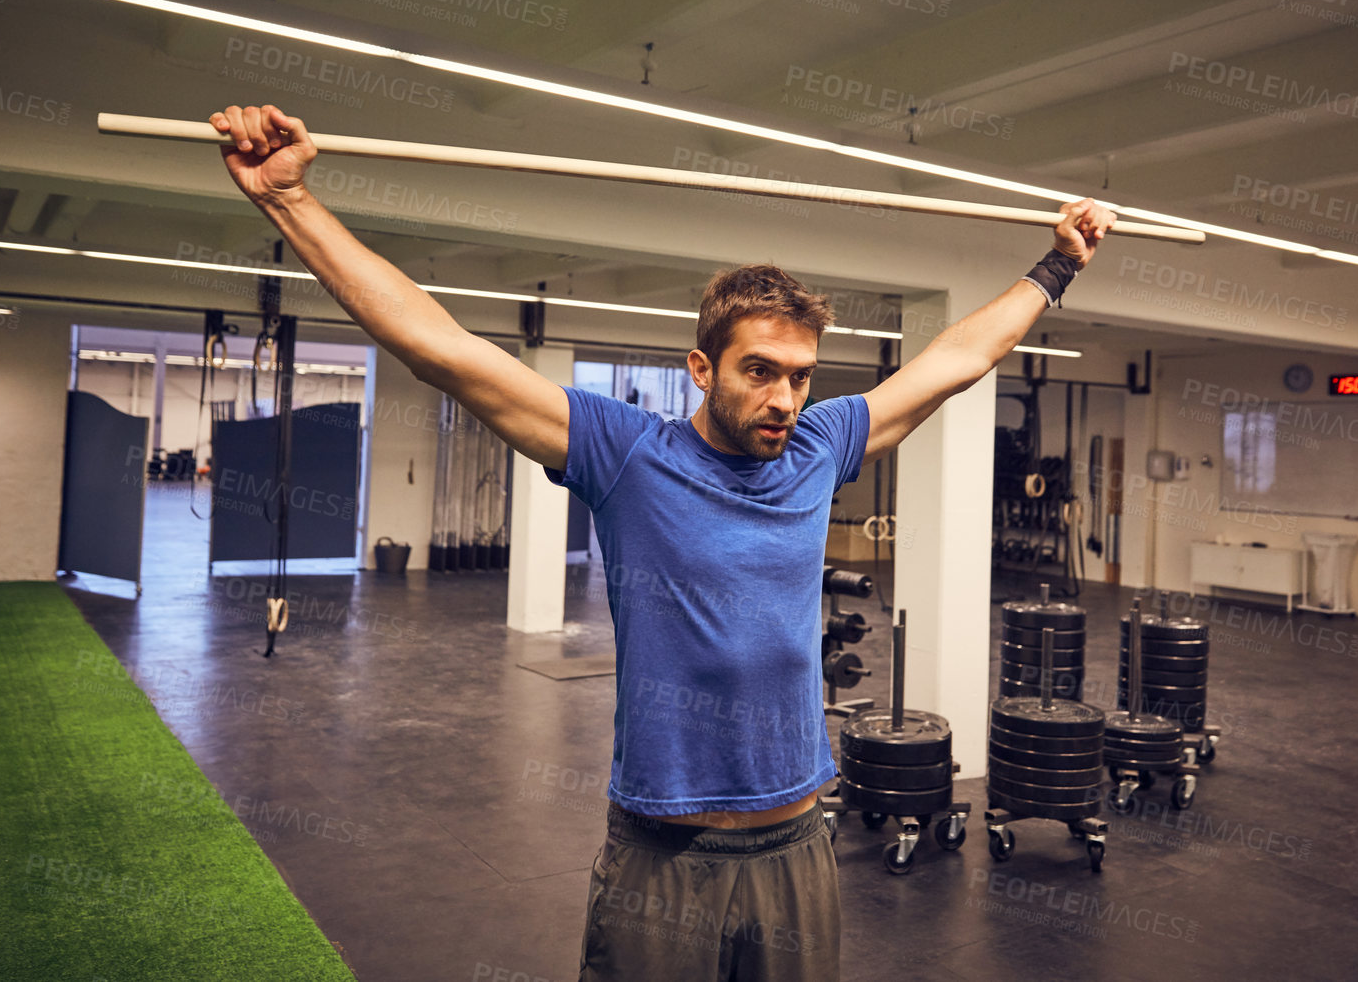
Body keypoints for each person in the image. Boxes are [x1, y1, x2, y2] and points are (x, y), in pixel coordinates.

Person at [208, 103, 1116, 981]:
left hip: (799, 843)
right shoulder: (624, 453)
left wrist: (1057, 267)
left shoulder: (819, 445)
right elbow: (439, 349)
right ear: (702, 368)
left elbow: (955, 361)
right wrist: (287, 199)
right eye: (760, 372)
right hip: (662, 852)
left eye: (800, 376)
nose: (784, 399)